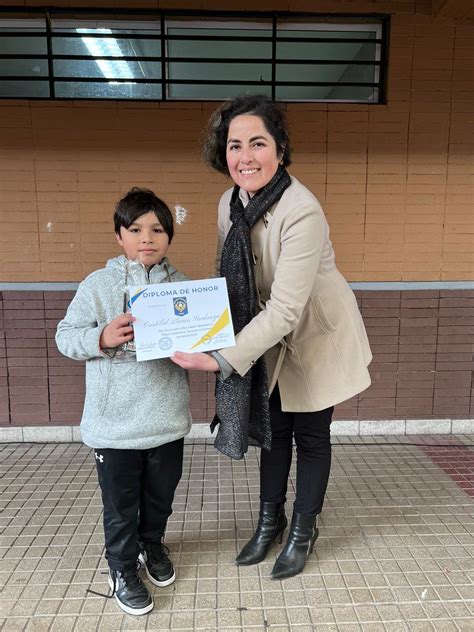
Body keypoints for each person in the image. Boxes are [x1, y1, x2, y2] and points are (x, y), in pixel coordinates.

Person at [171, 94, 372, 580]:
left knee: (311, 434)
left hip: (314, 336)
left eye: (257, 144)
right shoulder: (229, 202)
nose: (245, 157)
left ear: (280, 149)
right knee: (273, 430)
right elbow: (226, 279)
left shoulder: (301, 209)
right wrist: (196, 325)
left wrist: (221, 359)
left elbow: (285, 308)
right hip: (265, 336)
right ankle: (269, 522)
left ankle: (303, 530)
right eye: (234, 145)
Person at [56, 188, 191, 615]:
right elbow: (64, 336)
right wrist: (100, 337)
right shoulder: (98, 284)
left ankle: (151, 545)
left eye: (156, 229)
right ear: (119, 236)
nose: (146, 238)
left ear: (168, 237)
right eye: (134, 229)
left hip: (166, 418)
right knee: (119, 506)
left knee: (160, 498)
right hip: (114, 425)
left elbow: (208, 339)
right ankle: (120, 567)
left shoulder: (184, 287)